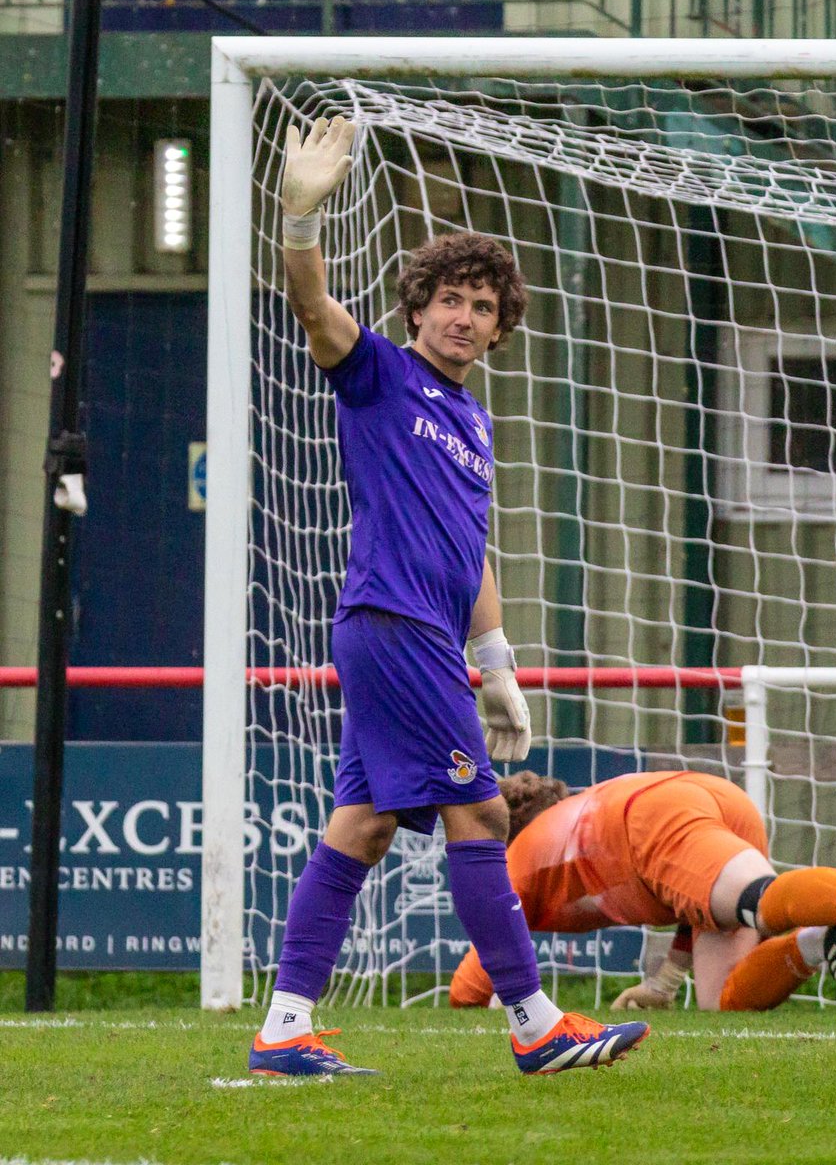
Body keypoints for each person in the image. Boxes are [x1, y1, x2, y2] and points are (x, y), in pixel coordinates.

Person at [248, 116, 650, 1078]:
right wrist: (299, 221)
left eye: (483, 306)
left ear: (500, 329)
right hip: (392, 627)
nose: (464, 316)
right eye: (449, 300)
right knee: (483, 816)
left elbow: (473, 549)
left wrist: (498, 663)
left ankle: (284, 1030)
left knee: (364, 825)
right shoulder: (380, 375)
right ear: (418, 307)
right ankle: (535, 1025)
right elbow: (313, 308)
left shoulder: (473, 419)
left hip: (421, 635)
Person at [449, 770, 836, 1014]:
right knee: (719, 1000)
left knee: (757, 900)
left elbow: (468, 989)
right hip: (709, 794)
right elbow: (687, 897)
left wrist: (474, 1008)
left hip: (648, 817)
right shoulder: (570, 824)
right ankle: (819, 941)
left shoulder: (520, 855)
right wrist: (665, 982)